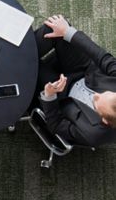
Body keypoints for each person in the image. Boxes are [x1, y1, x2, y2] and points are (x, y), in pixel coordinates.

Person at [35, 14, 116, 147]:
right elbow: (102, 57)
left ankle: (11, 57)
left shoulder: (93, 134)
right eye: (105, 93)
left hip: (59, 93)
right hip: (82, 70)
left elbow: (56, 124)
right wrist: (68, 32)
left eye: (96, 103)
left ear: (104, 121)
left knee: (31, 67)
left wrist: (50, 95)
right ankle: (14, 50)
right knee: (54, 29)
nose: (95, 95)